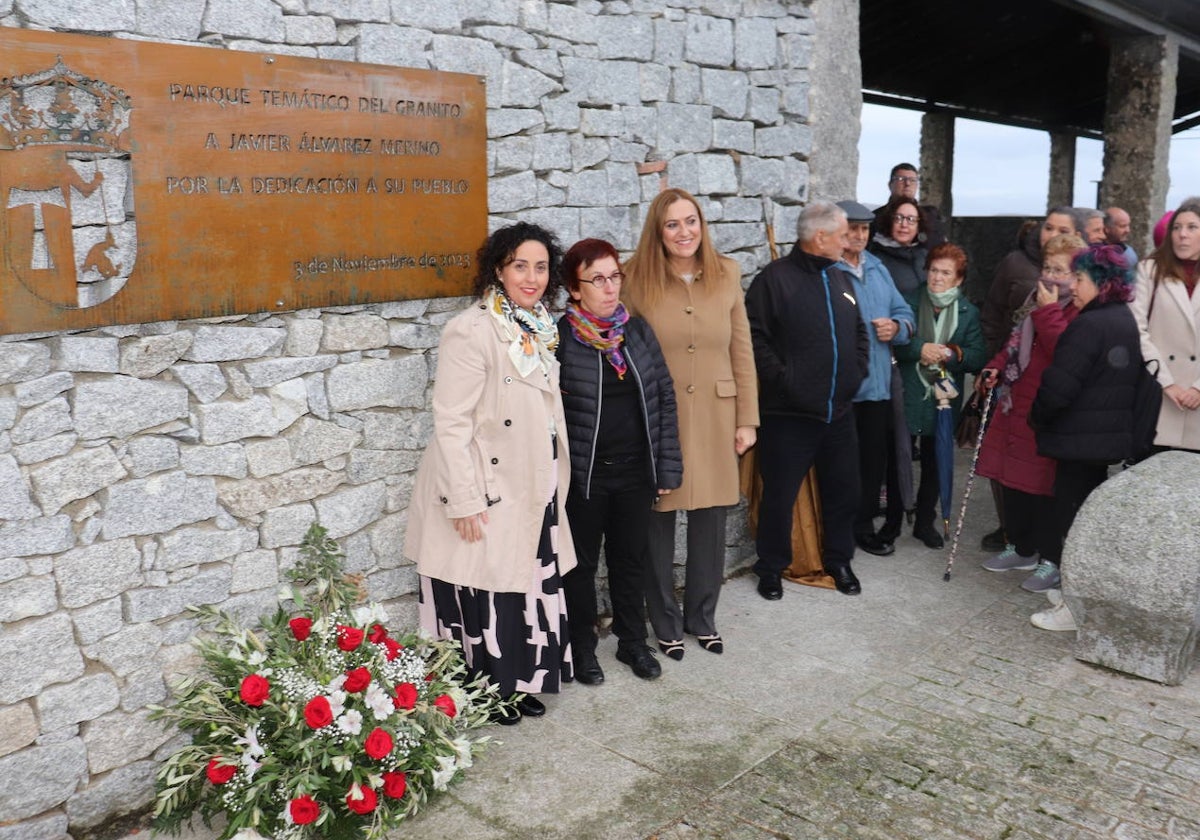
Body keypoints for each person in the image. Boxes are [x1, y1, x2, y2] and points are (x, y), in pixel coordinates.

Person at [405, 222, 575, 726]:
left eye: (541, 266)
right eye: (520, 265)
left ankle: (520, 683)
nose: (532, 277)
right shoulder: (472, 329)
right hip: (488, 483)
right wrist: (464, 498)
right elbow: (451, 421)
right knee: (487, 592)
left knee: (524, 585)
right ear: (499, 269)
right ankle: (489, 690)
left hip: (535, 479)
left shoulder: (541, 326)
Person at [623, 188, 759, 659]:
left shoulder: (727, 275)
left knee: (710, 521)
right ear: (658, 233)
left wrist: (748, 419)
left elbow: (741, 350)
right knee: (658, 522)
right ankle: (663, 622)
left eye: (691, 221)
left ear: (702, 224)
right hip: (660, 419)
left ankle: (702, 618)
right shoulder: (634, 280)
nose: (685, 232)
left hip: (719, 418)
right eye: (673, 224)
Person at [557, 238, 682, 683]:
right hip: (585, 479)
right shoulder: (560, 339)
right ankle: (582, 649)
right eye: (597, 279)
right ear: (574, 289)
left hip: (635, 472)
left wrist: (666, 468)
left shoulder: (638, 331)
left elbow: (663, 397)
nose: (610, 288)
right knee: (582, 566)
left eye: (615, 276)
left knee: (631, 561)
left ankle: (633, 644)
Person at [745, 202, 869, 598]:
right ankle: (770, 568)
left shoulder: (841, 279)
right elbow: (754, 337)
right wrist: (785, 381)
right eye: (843, 234)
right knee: (779, 495)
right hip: (790, 414)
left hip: (839, 412)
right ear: (820, 237)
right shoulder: (775, 280)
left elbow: (859, 332)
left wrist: (857, 371)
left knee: (844, 491)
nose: (849, 240)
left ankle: (838, 562)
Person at [1026, 243, 1141, 631]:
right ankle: (1075, 596)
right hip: (1101, 440)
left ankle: (1074, 610)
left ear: (1103, 283)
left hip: (1079, 440)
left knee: (1071, 522)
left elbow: (1059, 387)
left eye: (1080, 278)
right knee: (1081, 519)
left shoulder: (1089, 324)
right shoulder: (1122, 317)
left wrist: (1037, 418)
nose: (1072, 285)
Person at [975, 233, 1087, 593]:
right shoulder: (1032, 301)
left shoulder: (1077, 309)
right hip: (1016, 403)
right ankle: (1020, 546)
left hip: (1045, 408)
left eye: (1060, 270)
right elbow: (1013, 345)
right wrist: (994, 367)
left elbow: (1066, 353)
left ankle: (1051, 559)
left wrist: (1047, 311)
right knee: (1013, 481)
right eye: (1047, 268)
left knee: (1044, 488)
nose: (1051, 276)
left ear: (1077, 276)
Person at [835, 200, 915, 557]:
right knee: (840, 465)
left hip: (878, 386)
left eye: (865, 229)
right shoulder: (828, 272)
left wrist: (897, 327)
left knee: (871, 464)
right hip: (843, 389)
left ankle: (863, 527)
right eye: (852, 229)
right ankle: (836, 529)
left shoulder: (879, 269)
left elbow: (904, 312)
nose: (859, 235)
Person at [893, 243, 986, 548]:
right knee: (899, 458)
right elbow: (894, 341)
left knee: (936, 461)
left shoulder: (967, 312)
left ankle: (924, 522)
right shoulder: (907, 301)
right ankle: (893, 521)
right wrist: (919, 348)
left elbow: (976, 356)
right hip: (908, 392)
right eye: (933, 270)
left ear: (958, 279)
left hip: (943, 399)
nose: (937, 277)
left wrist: (949, 353)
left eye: (945, 273)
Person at [1130, 196, 1200, 454]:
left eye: (1192, 227)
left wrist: (1198, 388)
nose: (1182, 234)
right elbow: (1137, 329)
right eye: (1177, 227)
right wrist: (1167, 382)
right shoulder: (1150, 270)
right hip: (1158, 396)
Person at [872, 162, 947, 247]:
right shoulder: (874, 218)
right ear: (890, 184)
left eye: (913, 180)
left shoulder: (931, 216)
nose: (907, 183)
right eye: (901, 179)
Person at [869, 196, 930, 295]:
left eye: (911, 219)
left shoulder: (925, 255)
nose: (904, 225)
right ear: (890, 222)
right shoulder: (876, 260)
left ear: (918, 226)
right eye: (898, 218)